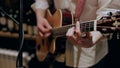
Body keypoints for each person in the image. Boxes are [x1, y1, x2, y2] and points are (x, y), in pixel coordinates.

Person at [30, 0, 120, 68]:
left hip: (87, 57)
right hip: (55, 53)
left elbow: (110, 11)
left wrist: (93, 38)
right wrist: (40, 17)